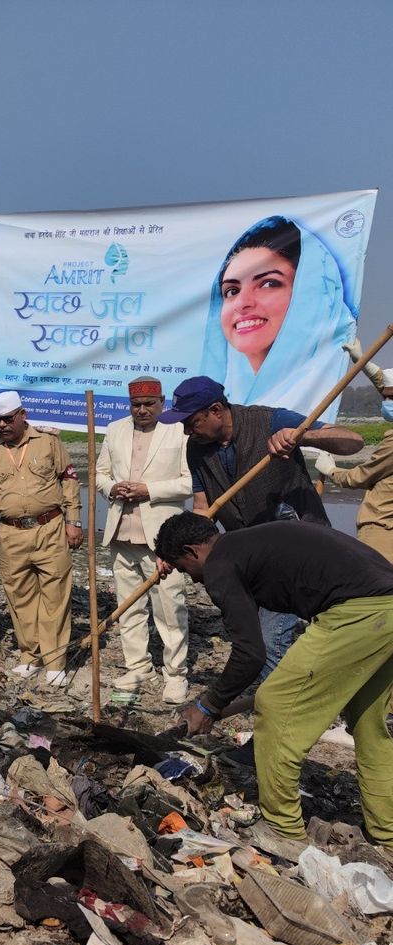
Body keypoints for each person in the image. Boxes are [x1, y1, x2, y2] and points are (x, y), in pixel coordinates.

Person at [155, 512, 393, 860]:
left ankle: (284, 831)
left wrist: (208, 704)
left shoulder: (220, 565)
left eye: (182, 568)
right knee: (368, 724)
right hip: (387, 602)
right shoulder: (247, 542)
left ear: (192, 551)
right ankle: (387, 832)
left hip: (357, 612)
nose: (190, 579)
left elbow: (250, 653)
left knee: (275, 704)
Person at [158, 375, 363, 765]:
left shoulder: (270, 421)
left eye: (191, 420)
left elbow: (353, 442)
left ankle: (265, 745)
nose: (186, 429)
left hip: (298, 562)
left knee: (268, 646)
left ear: (216, 410)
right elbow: (204, 512)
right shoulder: (196, 449)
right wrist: (176, 550)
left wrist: (302, 437)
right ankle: (278, 725)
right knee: (271, 648)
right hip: (250, 564)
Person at [0, 391, 83, 685]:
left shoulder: (48, 443)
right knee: (20, 596)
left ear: (23, 415)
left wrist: (75, 522)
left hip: (50, 528)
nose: (2, 425)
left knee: (55, 595)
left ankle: (55, 660)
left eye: (8, 419)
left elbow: (69, 480)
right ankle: (30, 656)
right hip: (11, 533)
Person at [199, 215, 356, 412]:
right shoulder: (217, 401)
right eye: (231, 291)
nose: (242, 303)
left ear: (309, 294)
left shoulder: (319, 394)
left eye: (268, 283)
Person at [96, 378, 191, 703]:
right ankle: (138, 667)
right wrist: (113, 488)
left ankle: (176, 675)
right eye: (136, 405)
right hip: (122, 533)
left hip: (163, 539)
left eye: (149, 404)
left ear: (161, 402)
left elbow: (189, 483)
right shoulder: (115, 429)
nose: (142, 410)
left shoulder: (179, 431)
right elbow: (100, 474)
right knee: (129, 608)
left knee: (170, 608)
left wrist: (148, 489)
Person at [316, 361, 393, 562]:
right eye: (384, 397)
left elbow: (361, 477)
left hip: (382, 529)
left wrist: (332, 471)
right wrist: (364, 363)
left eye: (390, 398)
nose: (386, 402)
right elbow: (387, 385)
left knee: (378, 586)